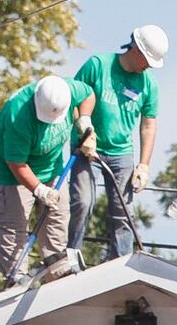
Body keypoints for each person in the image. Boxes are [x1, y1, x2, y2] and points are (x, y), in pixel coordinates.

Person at [0, 74, 97, 286]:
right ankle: (15, 281)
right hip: (10, 174)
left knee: (57, 215)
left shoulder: (67, 90)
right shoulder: (18, 114)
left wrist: (84, 119)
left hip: (51, 168)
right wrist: (40, 190)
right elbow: (16, 163)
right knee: (14, 226)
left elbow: (89, 95)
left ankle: (57, 273)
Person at [67, 24, 166, 264]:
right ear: (135, 50)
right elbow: (73, 100)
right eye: (147, 61)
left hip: (121, 153)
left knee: (123, 213)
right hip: (86, 147)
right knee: (83, 202)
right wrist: (84, 131)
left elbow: (148, 125)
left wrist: (143, 165)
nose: (149, 67)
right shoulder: (98, 66)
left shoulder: (148, 84)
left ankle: (120, 265)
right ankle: (71, 258)